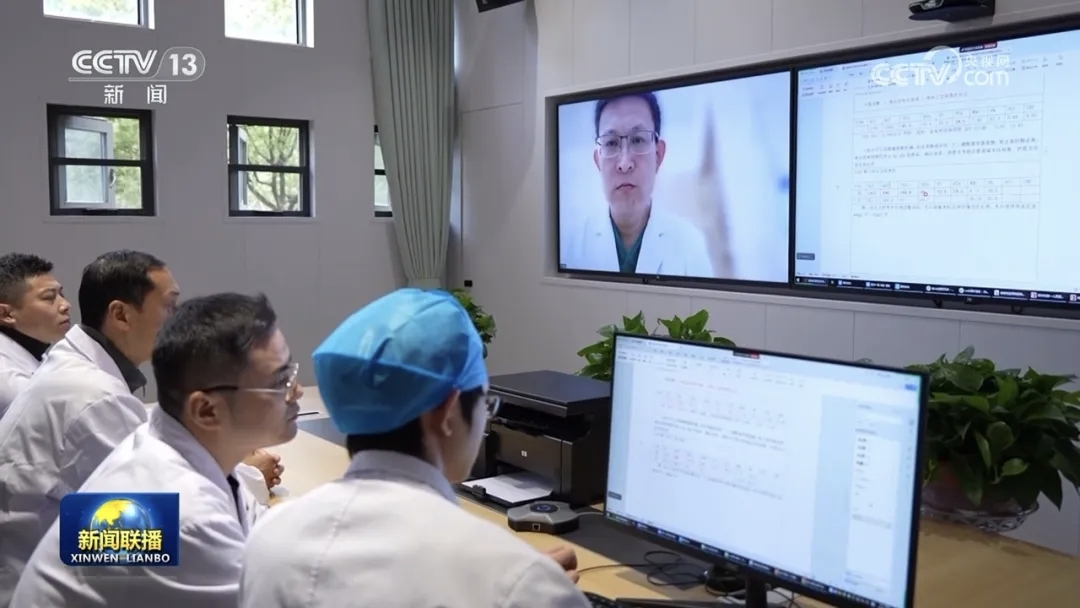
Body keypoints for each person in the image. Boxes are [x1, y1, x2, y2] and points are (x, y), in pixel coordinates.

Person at [238, 288, 590, 607]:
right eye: (486, 404)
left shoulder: (269, 538)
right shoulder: (516, 583)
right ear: (448, 412)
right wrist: (527, 583)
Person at [12, 293, 303, 607]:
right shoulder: (184, 516)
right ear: (206, 410)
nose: (296, 391)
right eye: (281, 381)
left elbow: (252, 523)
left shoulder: (164, 447)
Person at [562, 91, 713, 278]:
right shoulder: (571, 246)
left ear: (658, 155)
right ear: (598, 160)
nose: (625, 163)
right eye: (611, 143)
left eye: (638, 140)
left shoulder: (691, 247)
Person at [0, 253, 71, 418]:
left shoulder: (36, 353)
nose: (66, 305)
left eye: (61, 294)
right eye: (49, 297)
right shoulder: (6, 377)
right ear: (6, 314)